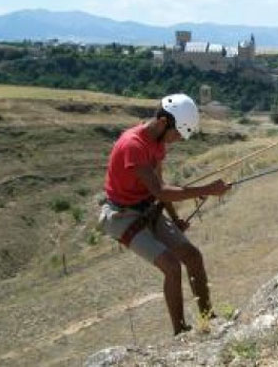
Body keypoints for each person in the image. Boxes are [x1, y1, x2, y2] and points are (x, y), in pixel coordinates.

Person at [98, 93, 231, 335]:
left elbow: (159, 185)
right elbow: (160, 190)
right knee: (171, 266)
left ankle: (207, 317)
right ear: (162, 123)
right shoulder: (132, 146)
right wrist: (208, 190)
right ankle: (180, 332)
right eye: (177, 133)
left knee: (193, 256)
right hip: (123, 216)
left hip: (148, 208)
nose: (178, 139)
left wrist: (175, 218)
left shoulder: (157, 144)